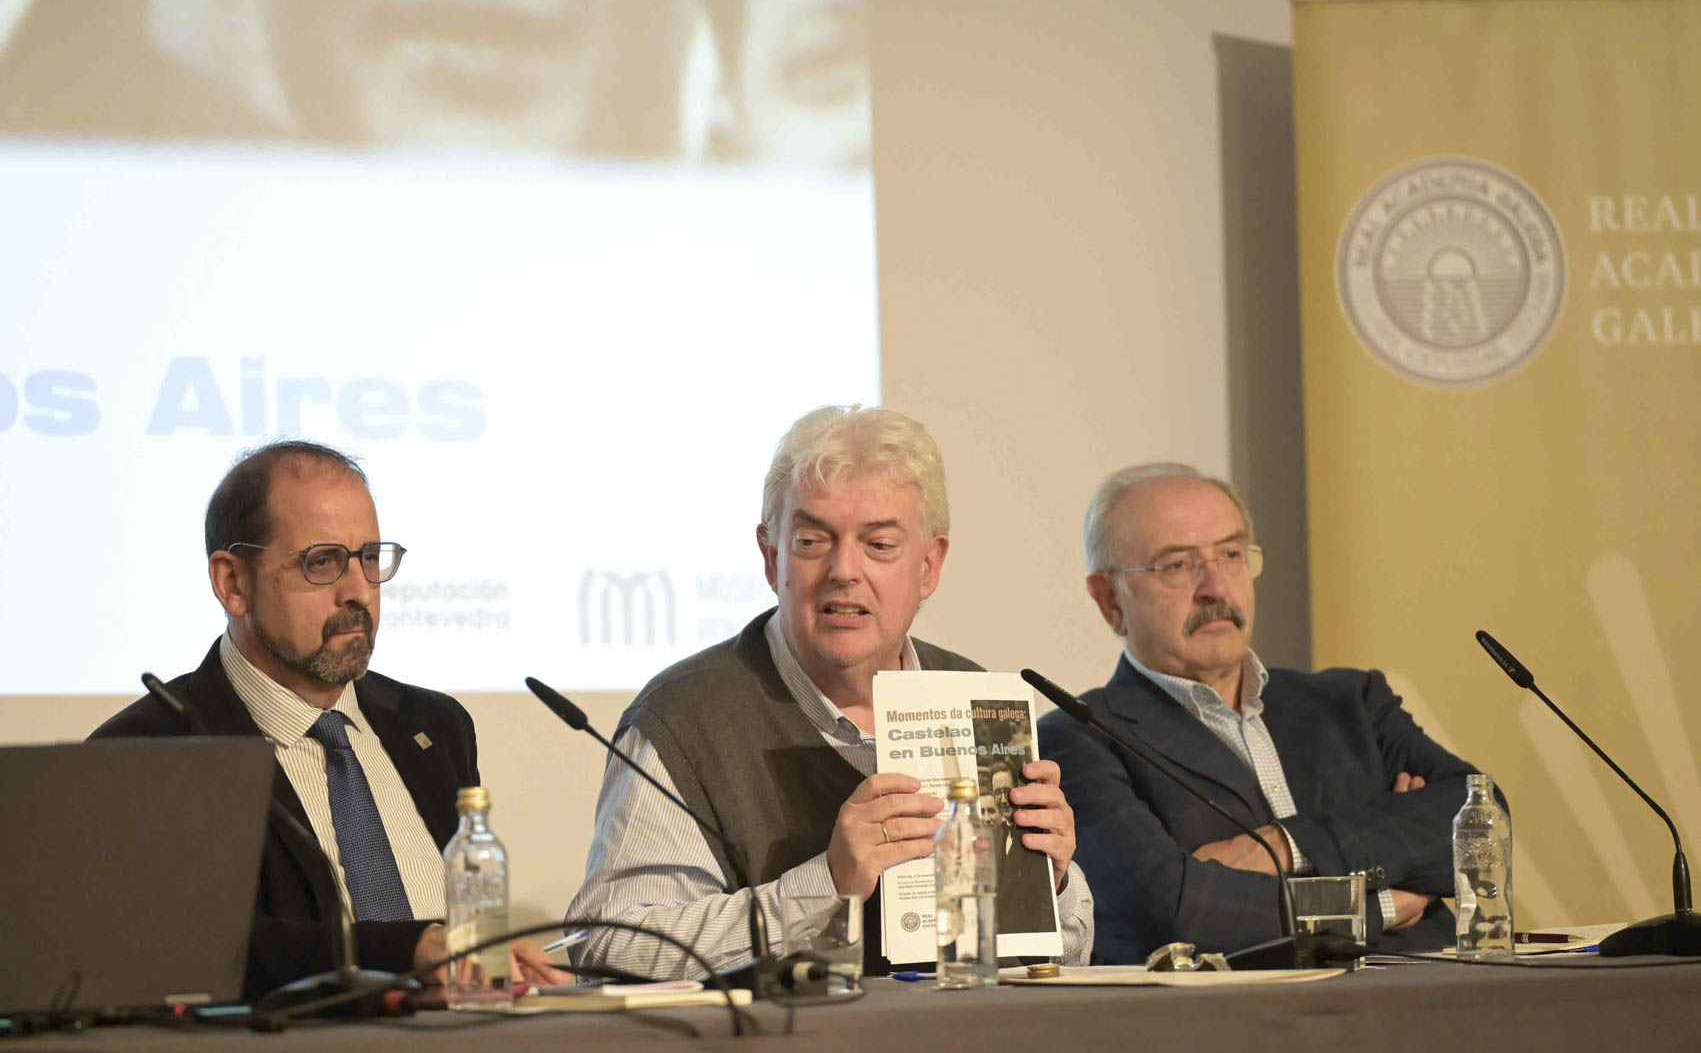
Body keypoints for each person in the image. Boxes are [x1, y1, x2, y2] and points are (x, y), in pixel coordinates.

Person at [566, 405, 1092, 978]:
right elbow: (608, 945)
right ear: (772, 557)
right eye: (812, 541)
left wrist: (1050, 884)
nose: (844, 570)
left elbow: (1064, 962)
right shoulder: (685, 717)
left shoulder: (973, 699)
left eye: (880, 545)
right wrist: (826, 884)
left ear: (929, 566)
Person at [90, 441, 568, 1000]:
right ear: (233, 583)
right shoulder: (150, 749)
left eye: (370, 558)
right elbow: (195, 945)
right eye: (322, 562)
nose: (360, 591)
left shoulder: (435, 726)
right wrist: (407, 951)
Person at [1039, 463, 1484, 963]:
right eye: (1177, 564)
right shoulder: (1079, 738)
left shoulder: (1351, 701)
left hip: (1435, 986)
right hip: (1255, 1009)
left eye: (1231, 554)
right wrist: (1378, 901)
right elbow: (1172, 912)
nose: (1216, 587)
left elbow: (1481, 822)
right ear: (1110, 600)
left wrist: (1285, 846)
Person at [986, 764, 1057, 935]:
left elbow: (1047, 901)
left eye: (1007, 791)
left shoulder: (1036, 832)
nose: (1003, 800)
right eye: (998, 793)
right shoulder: (996, 834)